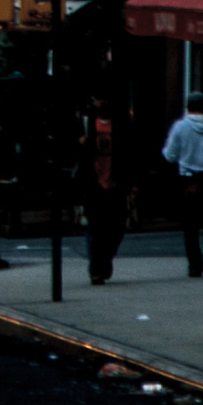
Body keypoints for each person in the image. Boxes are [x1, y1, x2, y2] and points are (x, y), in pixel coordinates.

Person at [161, 92, 203, 278]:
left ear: (188, 107)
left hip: (187, 180)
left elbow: (170, 155)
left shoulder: (180, 127)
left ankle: (195, 265)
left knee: (190, 225)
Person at [78, 96, 126, 284]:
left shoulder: (120, 125)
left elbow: (127, 152)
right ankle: (97, 270)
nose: (101, 103)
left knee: (116, 228)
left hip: (114, 184)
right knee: (97, 228)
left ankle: (104, 261)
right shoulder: (88, 125)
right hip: (94, 184)